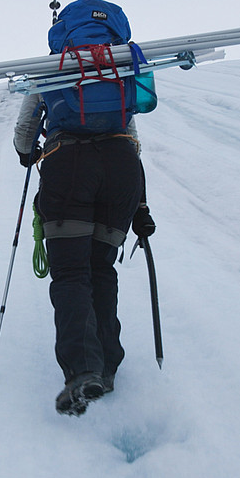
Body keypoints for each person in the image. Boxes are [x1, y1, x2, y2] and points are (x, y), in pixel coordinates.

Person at [14, 80, 155, 416]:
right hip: (122, 169)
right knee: (101, 268)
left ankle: (83, 370)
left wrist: (27, 154)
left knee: (72, 272)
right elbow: (131, 136)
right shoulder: (116, 67)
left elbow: (25, 131)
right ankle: (106, 367)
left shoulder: (49, 72)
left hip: (69, 166)